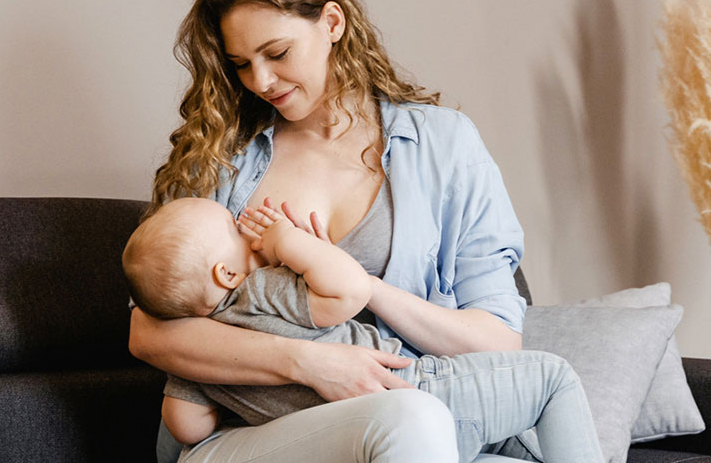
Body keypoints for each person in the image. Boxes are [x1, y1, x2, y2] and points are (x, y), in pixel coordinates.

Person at [128, 0, 541, 463]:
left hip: (407, 417)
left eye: (276, 53)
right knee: (411, 419)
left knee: (428, 425)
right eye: (241, 64)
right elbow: (149, 334)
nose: (261, 80)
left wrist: (362, 286)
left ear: (332, 23)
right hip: (250, 434)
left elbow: (498, 342)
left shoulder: (444, 145)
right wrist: (309, 364)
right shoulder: (221, 156)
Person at [122, 197, 603, 463]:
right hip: (413, 383)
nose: (246, 227)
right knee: (551, 378)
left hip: (364, 433)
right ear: (226, 275)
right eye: (234, 226)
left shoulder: (198, 356)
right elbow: (350, 290)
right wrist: (287, 241)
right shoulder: (261, 289)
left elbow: (187, 426)